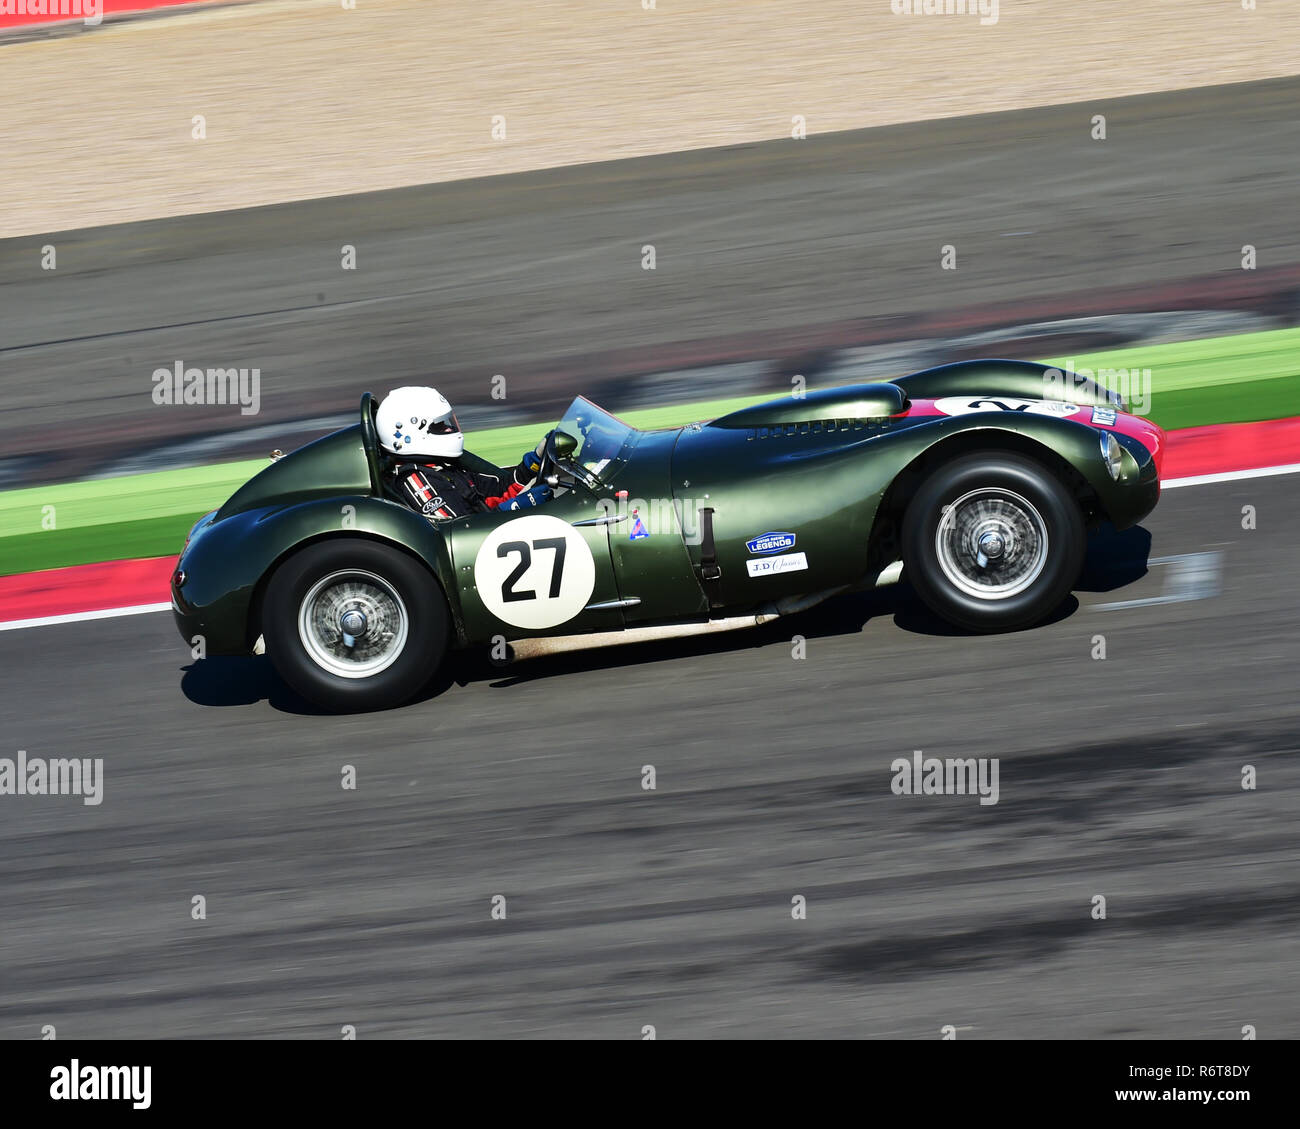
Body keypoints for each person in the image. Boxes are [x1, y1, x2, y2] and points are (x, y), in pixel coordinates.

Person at [376, 386, 552, 520]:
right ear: (409, 433)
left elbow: (499, 489)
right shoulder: (416, 482)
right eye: (439, 425)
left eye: (447, 423)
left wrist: (534, 462)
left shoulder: (443, 468)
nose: (448, 428)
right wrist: (513, 509)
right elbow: (458, 532)